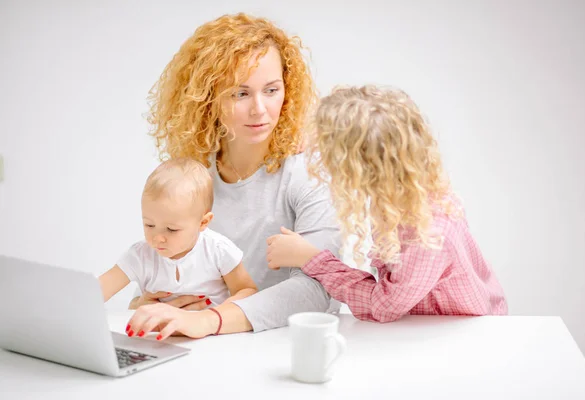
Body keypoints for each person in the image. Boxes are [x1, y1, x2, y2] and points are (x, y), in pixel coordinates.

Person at [124, 13, 340, 340]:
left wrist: (209, 319)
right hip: (209, 349)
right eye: (240, 94)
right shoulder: (194, 174)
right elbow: (169, 265)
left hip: (286, 346)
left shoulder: (308, 173)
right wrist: (153, 301)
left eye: (271, 90)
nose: (260, 109)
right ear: (209, 98)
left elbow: (318, 287)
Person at [266, 85, 508, 322]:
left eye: (331, 155)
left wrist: (311, 258)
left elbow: (382, 306)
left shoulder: (427, 237)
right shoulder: (411, 189)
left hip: (465, 335)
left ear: (361, 168)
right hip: (441, 325)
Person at [99, 158, 258, 338]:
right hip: (157, 342)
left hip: (211, 340)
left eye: (171, 229)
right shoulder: (140, 255)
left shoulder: (218, 249)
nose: (157, 237)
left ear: (203, 222)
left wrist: (217, 315)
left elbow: (248, 292)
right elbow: (97, 291)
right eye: (149, 225)